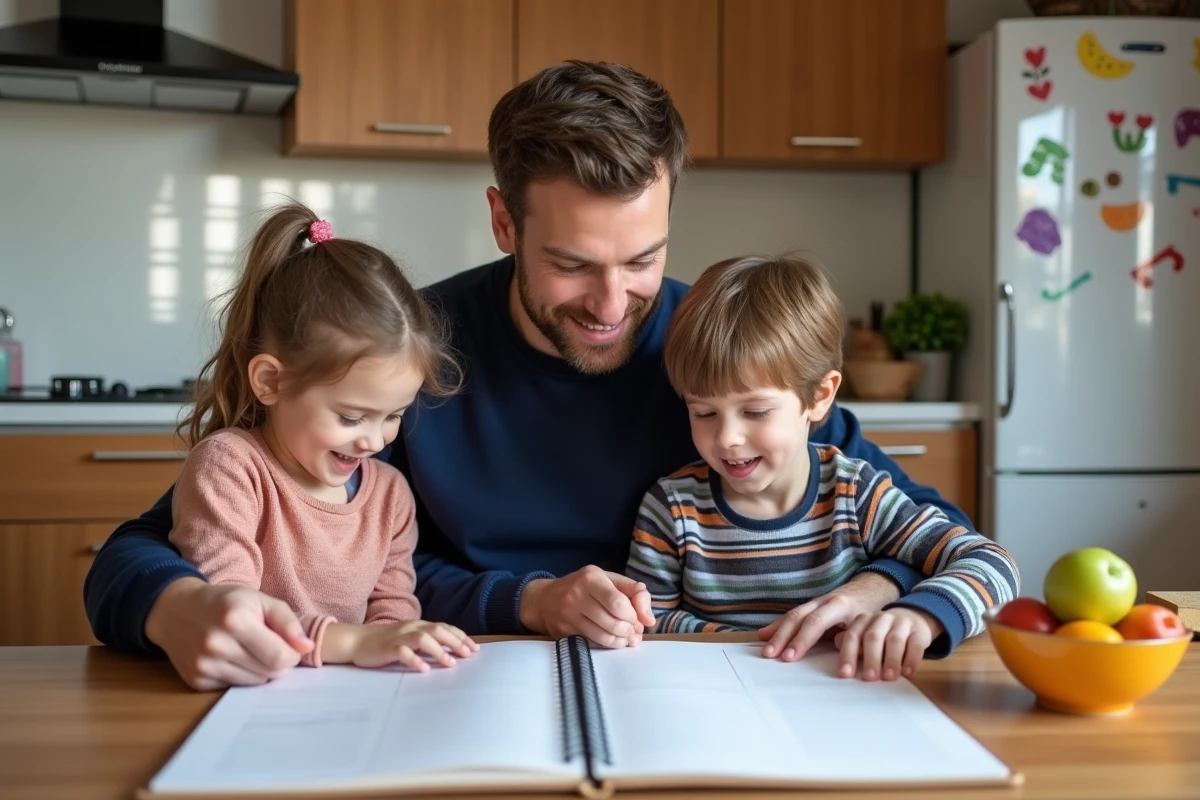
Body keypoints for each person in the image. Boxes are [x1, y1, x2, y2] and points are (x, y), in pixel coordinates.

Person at [85, 61, 967, 690]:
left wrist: (876, 586)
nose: (613, 304)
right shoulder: (404, 355)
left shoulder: (720, 352)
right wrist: (179, 608)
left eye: (643, 259)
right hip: (438, 687)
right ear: (504, 224)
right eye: (572, 265)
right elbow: (138, 553)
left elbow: (919, 525)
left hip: (688, 688)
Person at [626, 255, 1019, 681]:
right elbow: (650, 622)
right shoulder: (671, 508)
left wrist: (921, 616)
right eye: (704, 413)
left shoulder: (857, 494)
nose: (727, 438)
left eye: (755, 411)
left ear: (819, 397)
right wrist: (759, 643)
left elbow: (992, 563)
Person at [160, 203, 476, 683]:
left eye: (394, 415)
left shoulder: (390, 496)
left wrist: (403, 641)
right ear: (271, 382)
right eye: (351, 417)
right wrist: (353, 643)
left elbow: (392, 615)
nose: (374, 440)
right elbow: (234, 616)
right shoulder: (229, 468)